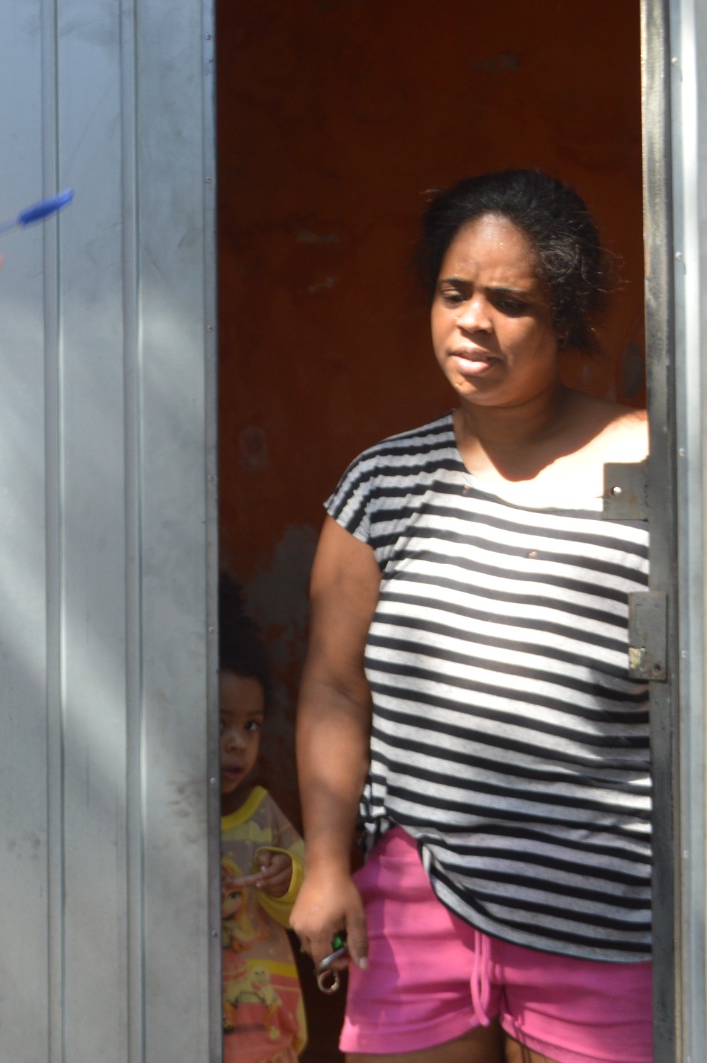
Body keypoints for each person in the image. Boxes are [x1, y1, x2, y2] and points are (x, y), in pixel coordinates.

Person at [290, 169, 652, 1063]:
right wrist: (329, 865)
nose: (473, 321)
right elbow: (335, 687)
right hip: (415, 908)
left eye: (510, 301)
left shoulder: (654, 467)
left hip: (607, 913)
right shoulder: (382, 484)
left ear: (564, 318)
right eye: (455, 292)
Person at [218, 574, 307, 1063]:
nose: (238, 742)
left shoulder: (263, 816)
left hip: (268, 1036)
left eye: (251, 725)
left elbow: (312, 904)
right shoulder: (167, 817)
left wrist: (287, 878)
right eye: (220, 723)